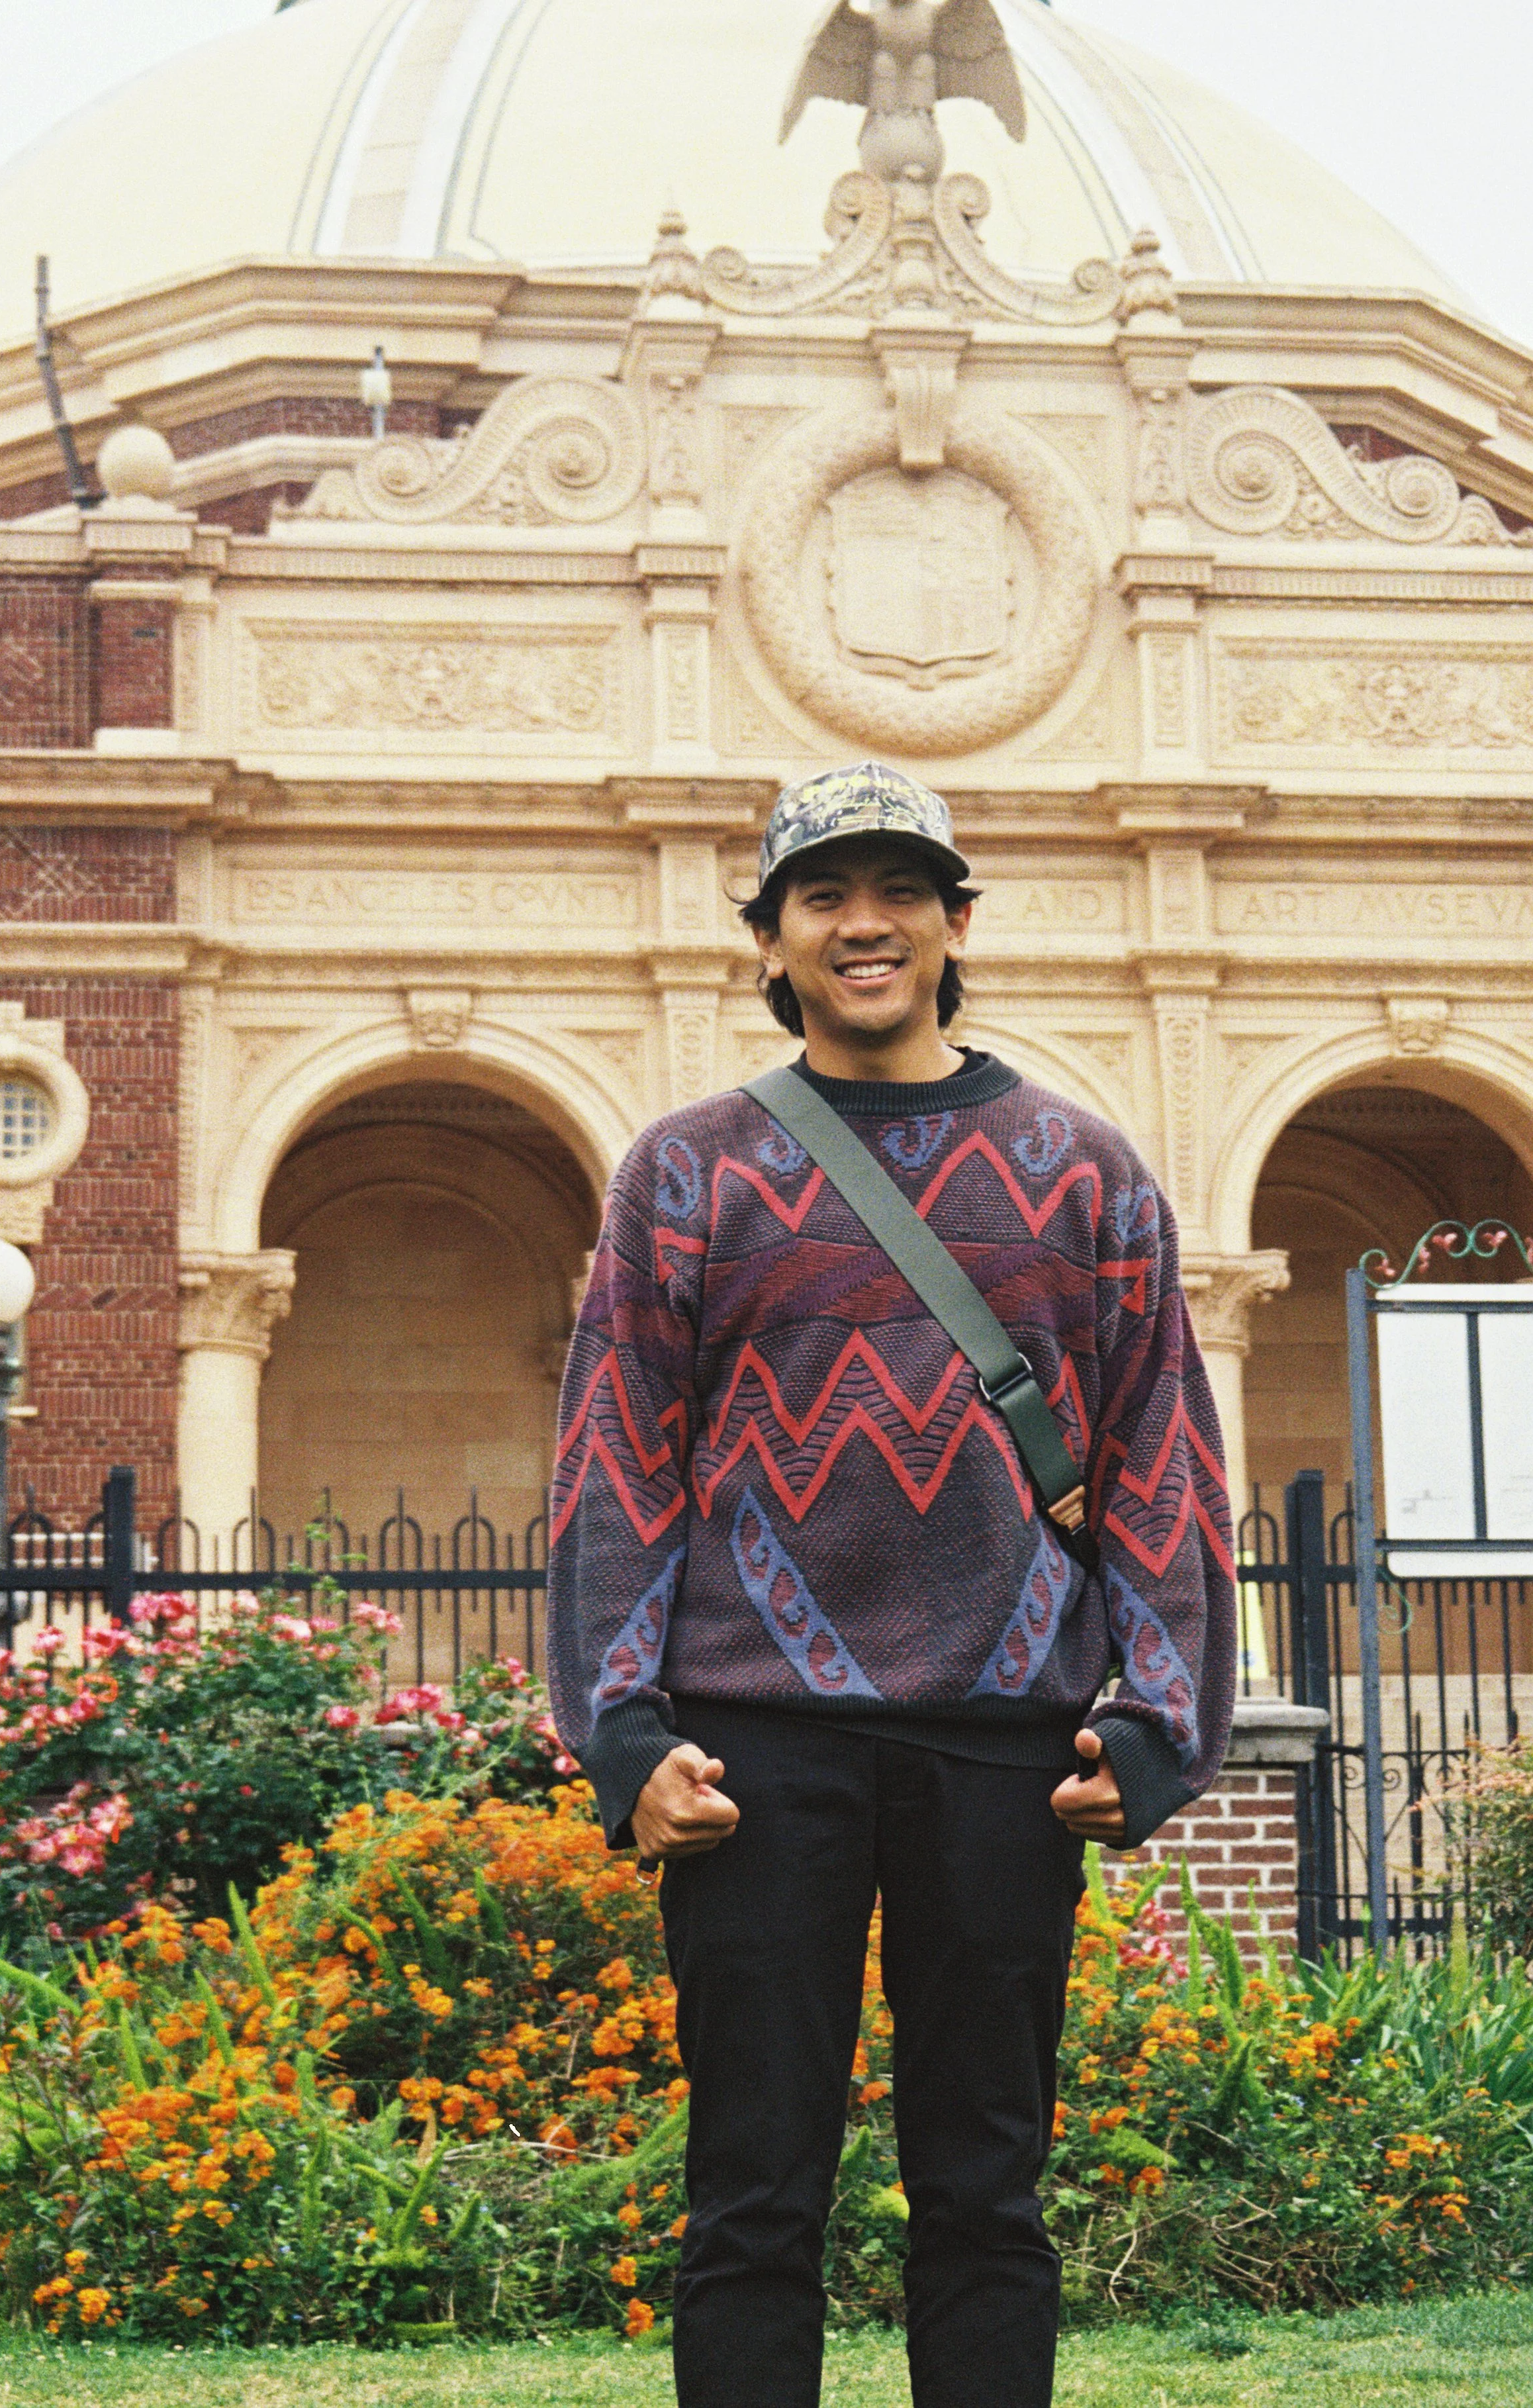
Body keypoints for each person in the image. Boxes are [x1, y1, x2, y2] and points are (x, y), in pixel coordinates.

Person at [547, 761, 1236, 2408]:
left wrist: (1160, 1718)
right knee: (751, 2199)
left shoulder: (1083, 1171)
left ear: (955, 924)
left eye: (900, 893)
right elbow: (614, 1460)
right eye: (822, 899)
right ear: (770, 944)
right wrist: (623, 1738)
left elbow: (1158, 1450)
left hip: (1006, 1747)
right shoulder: (687, 1170)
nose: (865, 925)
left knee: (986, 2196)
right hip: (750, 1750)